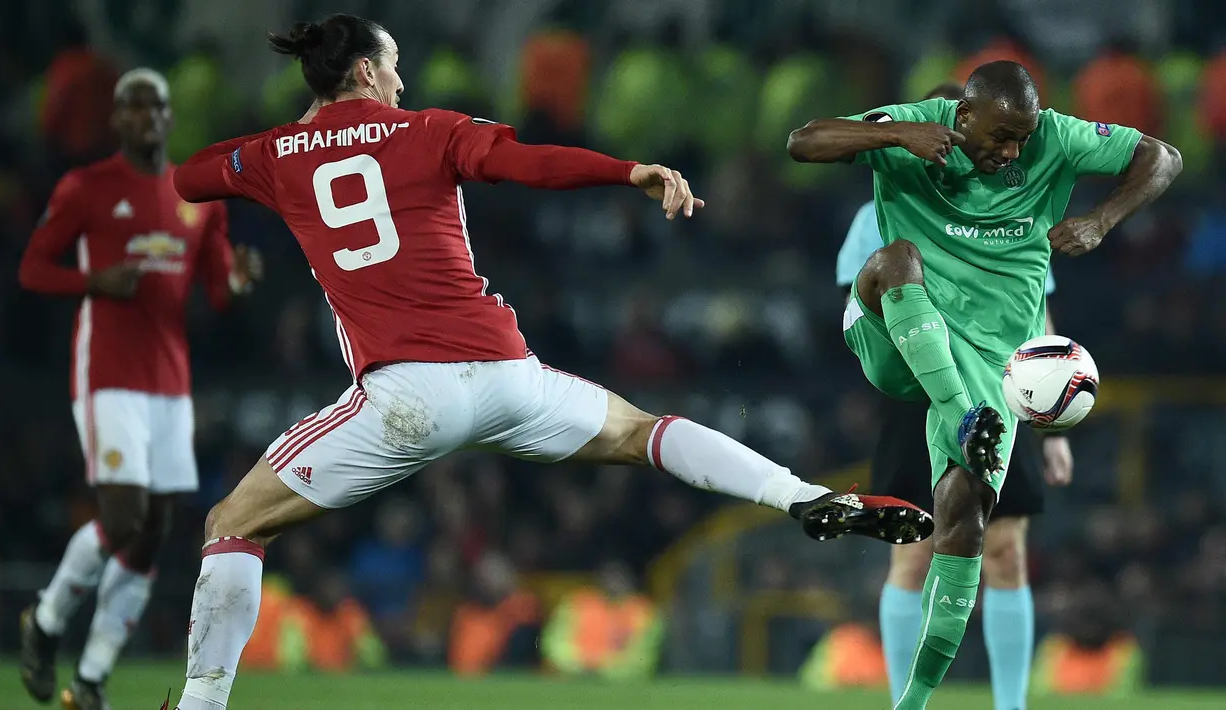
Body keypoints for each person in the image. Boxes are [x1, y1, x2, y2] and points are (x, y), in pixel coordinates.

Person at [163, 15, 933, 710]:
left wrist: (298, 133)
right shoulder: (430, 129)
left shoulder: (268, 156)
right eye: (392, 64)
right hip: (506, 374)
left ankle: (200, 706)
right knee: (642, 431)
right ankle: (799, 496)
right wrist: (628, 171)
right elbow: (524, 162)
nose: (401, 78)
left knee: (233, 523)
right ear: (365, 72)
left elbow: (188, 177)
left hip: (405, 395)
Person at [788, 61, 1181, 709]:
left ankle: (913, 702)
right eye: (1000, 137)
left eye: (1021, 139)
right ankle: (963, 420)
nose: (1012, 152)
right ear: (961, 117)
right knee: (895, 259)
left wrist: (1101, 219)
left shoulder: (1053, 136)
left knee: (964, 526)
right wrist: (893, 137)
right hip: (897, 341)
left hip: (994, 375)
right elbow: (802, 141)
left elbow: (1161, 157)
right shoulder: (912, 129)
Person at [18, 69, 263, 710]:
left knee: (153, 531)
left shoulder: (198, 197)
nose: (146, 117)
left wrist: (235, 285)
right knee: (123, 517)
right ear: (117, 120)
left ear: (169, 118)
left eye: (156, 107)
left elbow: (216, 293)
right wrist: (94, 283)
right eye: (133, 107)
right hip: (107, 372)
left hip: (169, 379)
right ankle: (45, 621)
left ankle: (92, 677)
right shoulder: (87, 188)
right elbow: (33, 268)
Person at [834, 82, 1075, 710]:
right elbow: (865, 309)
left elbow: (1037, 314)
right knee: (911, 554)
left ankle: (1011, 705)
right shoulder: (878, 215)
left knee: (1006, 553)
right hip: (919, 397)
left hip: (1002, 392)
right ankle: (902, 702)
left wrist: (1053, 425)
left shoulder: (1016, 204)